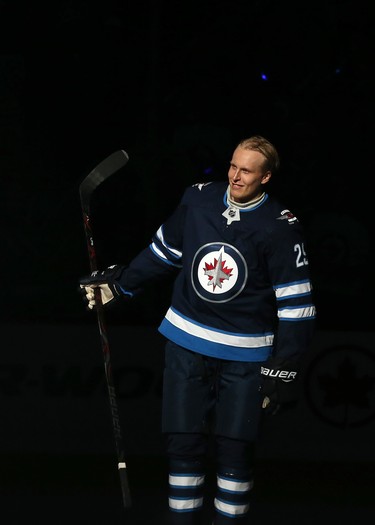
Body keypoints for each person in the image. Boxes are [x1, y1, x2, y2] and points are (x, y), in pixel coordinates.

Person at [79, 135, 316, 524]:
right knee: (182, 443)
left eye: (247, 171)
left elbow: (297, 304)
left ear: (267, 177)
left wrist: (283, 366)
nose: (236, 177)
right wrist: (120, 286)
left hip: (246, 354)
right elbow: (165, 251)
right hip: (186, 341)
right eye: (233, 166)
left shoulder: (279, 227)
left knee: (235, 450)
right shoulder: (198, 199)